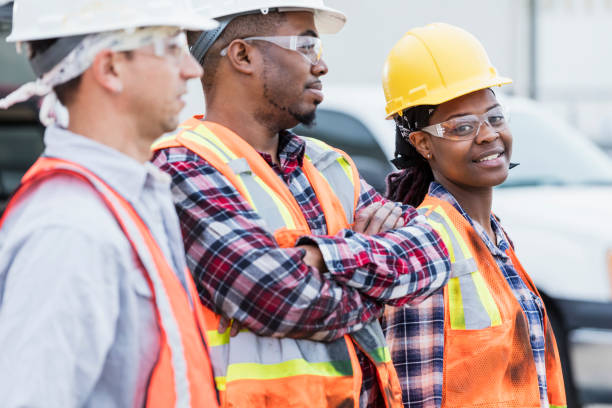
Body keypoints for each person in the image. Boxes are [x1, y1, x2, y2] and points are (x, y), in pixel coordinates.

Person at [151, 1, 451, 407]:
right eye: (306, 46)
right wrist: (378, 286)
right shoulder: (184, 167)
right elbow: (276, 296)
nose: (321, 66)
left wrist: (321, 257)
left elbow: (432, 252)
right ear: (243, 55)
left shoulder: (329, 165)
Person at [0, 1, 221, 406]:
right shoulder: (71, 229)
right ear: (110, 69)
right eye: (172, 47)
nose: (193, 69)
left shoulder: (128, 201)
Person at [380, 23, 567, 408]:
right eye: (463, 126)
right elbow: (413, 395)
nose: (487, 135)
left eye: (495, 117)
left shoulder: (492, 237)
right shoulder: (426, 243)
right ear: (423, 144)